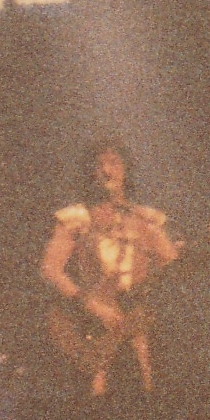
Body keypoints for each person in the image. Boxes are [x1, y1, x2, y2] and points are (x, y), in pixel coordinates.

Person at [40, 142, 182, 396]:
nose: (106, 171)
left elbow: (173, 266)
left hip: (135, 321)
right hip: (93, 324)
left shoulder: (145, 219)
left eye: (114, 163)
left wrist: (208, 251)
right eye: (99, 165)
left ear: (126, 170)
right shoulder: (77, 217)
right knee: (96, 392)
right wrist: (90, 305)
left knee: (145, 386)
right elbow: (51, 269)